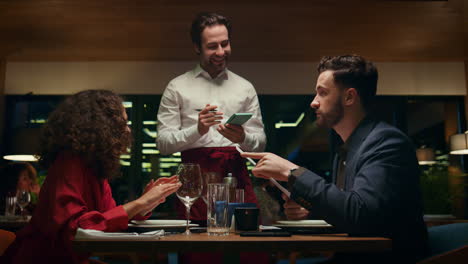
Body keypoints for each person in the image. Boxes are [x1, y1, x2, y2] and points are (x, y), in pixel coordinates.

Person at [242, 55, 428, 263]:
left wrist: (292, 172)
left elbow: (361, 215)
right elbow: (348, 211)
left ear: (349, 97)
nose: (314, 102)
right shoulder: (346, 149)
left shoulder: (386, 142)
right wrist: (309, 210)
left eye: (323, 93)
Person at [2, 90, 181, 264]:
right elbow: (76, 230)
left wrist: (146, 202)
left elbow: (107, 220)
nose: (128, 129)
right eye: (122, 122)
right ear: (100, 126)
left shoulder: (95, 167)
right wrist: (139, 203)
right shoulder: (69, 163)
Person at [157, 12, 266, 222]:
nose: (220, 52)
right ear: (197, 47)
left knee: (246, 246)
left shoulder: (245, 88)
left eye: (225, 44)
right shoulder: (176, 87)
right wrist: (197, 129)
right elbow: (163, 145)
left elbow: (260, 144)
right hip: (194, 178)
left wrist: (242, 137)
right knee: (197, 250)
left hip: (236, 174)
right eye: (212, 46)